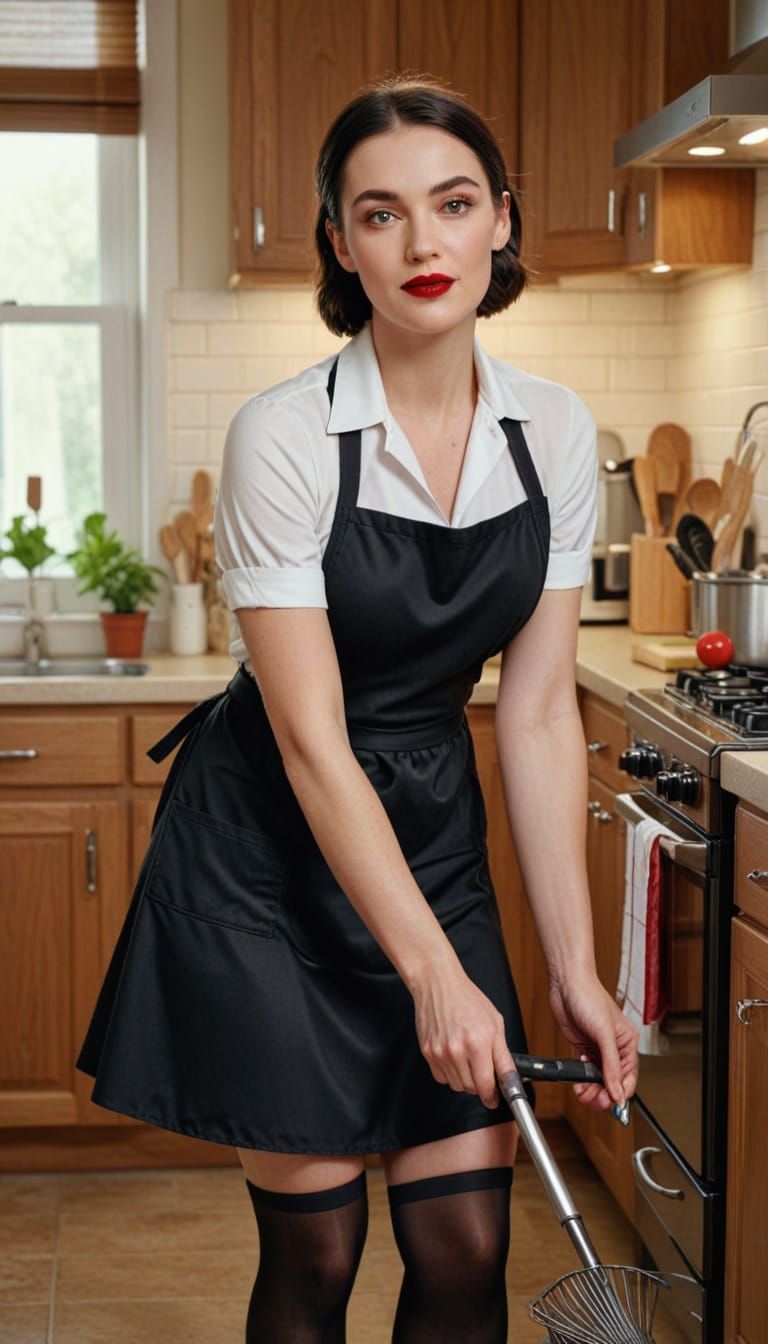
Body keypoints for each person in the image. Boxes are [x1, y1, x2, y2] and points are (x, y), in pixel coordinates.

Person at [76, 74, 639, 1343]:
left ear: (502, 218)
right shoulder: (282, 436)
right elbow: (311, 744)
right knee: (316, 1257)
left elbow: (540, 716)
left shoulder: (550, 429)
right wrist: (435, 978)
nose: (422, 243)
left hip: (429, 832)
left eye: (451, 204)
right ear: (340, 243)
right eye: (380, 215)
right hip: (271, 854)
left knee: (466, 1243)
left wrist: (572, 970)